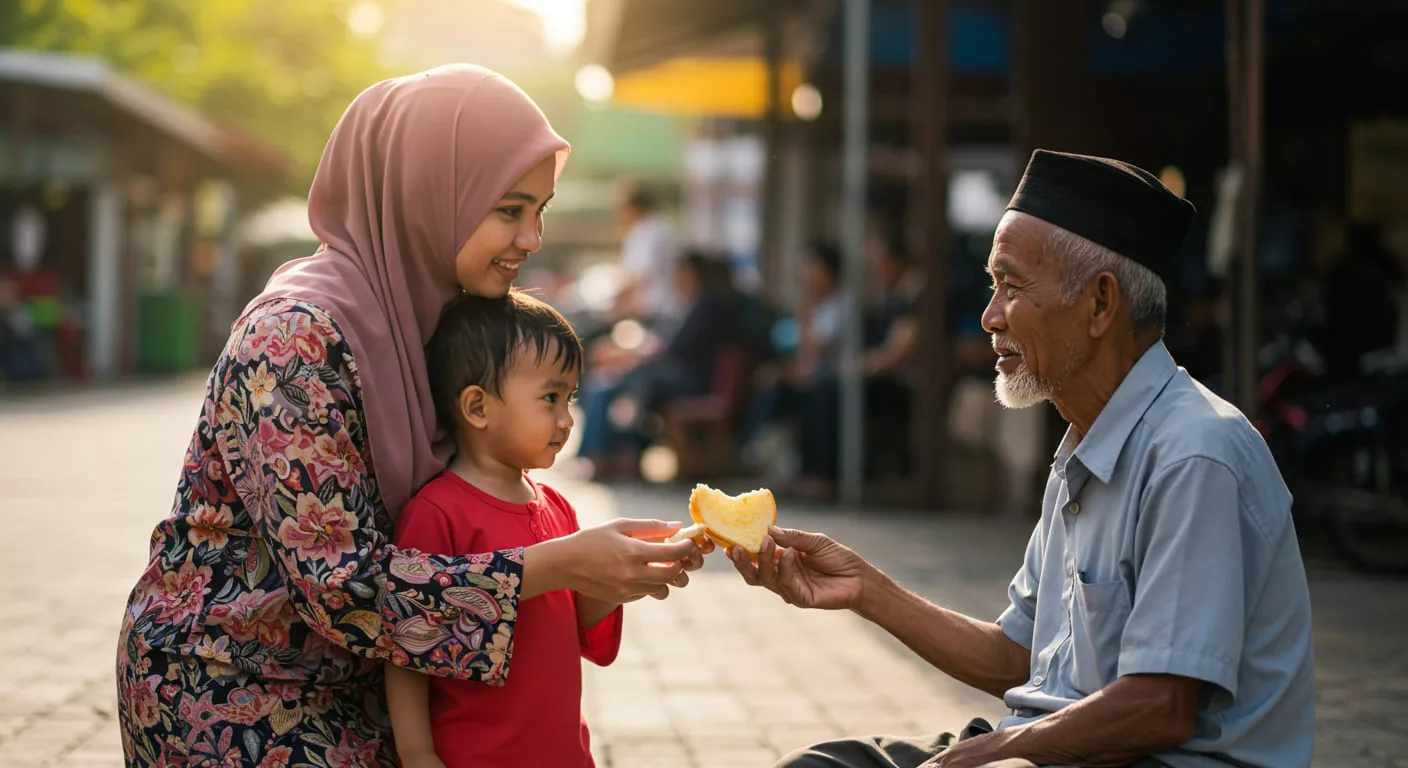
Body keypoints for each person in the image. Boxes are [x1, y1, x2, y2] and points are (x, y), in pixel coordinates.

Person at [115, 65, 706, 767]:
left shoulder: (436, 327)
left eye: (538, 211)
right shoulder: (294, 340)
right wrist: (558, 564)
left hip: (367, 685)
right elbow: (342, 589)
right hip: (231, 686)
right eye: (510, 209)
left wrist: (590, 570)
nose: (533, 237)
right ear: (427, 192)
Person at [732, 150, 1315, 768]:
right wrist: (862, 587)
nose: (989, 317)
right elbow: (1019, 657)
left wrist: (986, 753)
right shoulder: (1083, 449)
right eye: (993, 287)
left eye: (1010, 286)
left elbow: (1159, 706)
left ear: (1099, 304)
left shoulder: (1195, 454)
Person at [388, 291, 656, 768]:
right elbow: (409, 647)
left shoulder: (556, 507)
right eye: (550, 398)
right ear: (477, 407)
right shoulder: (437, 513)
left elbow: (579, 625)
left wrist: (628, 574)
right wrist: (418, 753)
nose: (566, 419)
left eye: (570, 397)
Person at [612, 184, 681, 332]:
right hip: (662, 308)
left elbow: (640, 275)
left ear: (634, 207)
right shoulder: (660, 228)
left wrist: (616, 303)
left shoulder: (646, 232)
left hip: (655, 311)